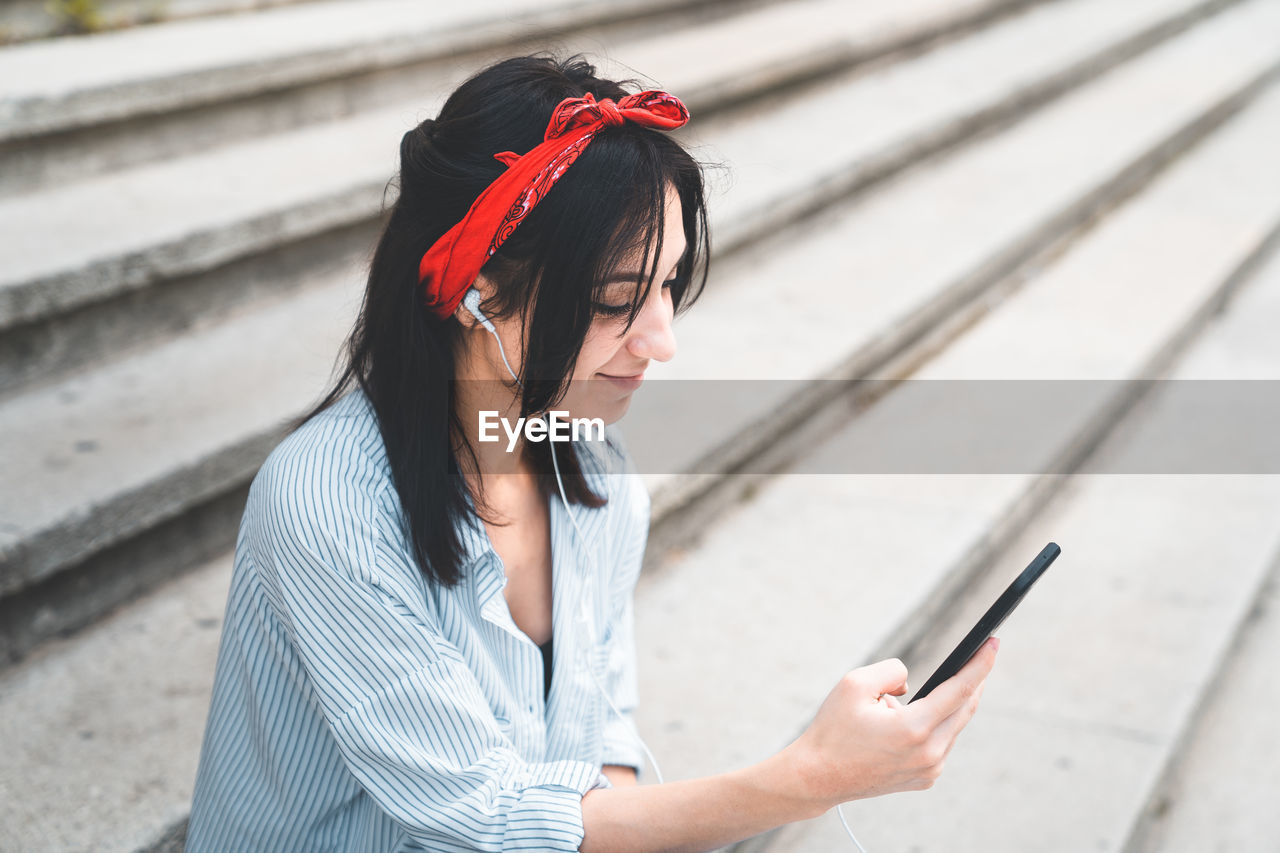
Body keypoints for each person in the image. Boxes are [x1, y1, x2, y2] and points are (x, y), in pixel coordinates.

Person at [187, 52, 998, 853]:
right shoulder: (328, 506)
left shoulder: (595, 473)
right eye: (616, 299)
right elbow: (482, 815)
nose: (662, 340)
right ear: (472, 289)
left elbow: (602, 738)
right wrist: (811, 775)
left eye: (669, 285)